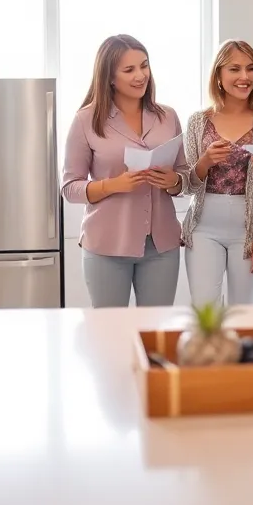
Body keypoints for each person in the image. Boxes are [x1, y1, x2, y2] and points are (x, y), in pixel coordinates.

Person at [62, 35, 189, 308]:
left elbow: (184, 176)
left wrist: (174, 181)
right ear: (109, 77)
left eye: (144, 66)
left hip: (161, 245)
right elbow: (70, 188)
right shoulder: (86, 120)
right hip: (107, 244)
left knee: (155, 328)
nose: (140, 75)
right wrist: (113, 185)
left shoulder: (168, 116)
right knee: (109, 329)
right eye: (129, 70)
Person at [181, 40, 253, 306]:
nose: (244, 77)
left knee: (243, 313)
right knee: (205, 311)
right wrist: (205, 161)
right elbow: (187, 186)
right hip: (203, 228)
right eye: (234, 69)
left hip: (249, 231)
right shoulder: (198, 121)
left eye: (251, 68)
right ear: (219, 74)